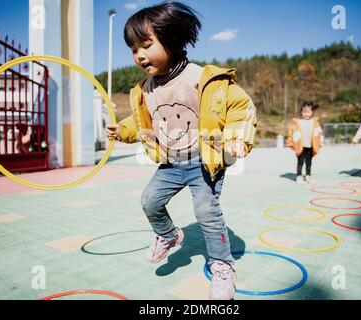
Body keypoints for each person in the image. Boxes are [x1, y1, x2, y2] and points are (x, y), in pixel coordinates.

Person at [106, 1, 257, 300]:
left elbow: (239, 106)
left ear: (171, 41)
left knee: (206, 211)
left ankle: (223, 266)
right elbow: (141, 122)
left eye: (146, 45)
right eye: (133, 49)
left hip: (204, 160)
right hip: (171, 163)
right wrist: (122, 130)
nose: (139, 55)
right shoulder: (144, 89)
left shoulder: (200, 78)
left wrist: (236, 138)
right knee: (149, 201)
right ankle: (170, 235)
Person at [286, 102, 323, 185]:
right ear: (301, 112)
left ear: (312, 112)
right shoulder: (298, 122)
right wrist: (290, 143)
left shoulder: (315, 122)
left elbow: (319, 133)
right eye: (304, 112)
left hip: (310, 146)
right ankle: (299, 177)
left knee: (309, 162)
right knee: (300, 162)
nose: (306, 114)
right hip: (300, 146)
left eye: (308, 112)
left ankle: (308, 176)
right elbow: (291, 133)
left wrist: (320, 143)